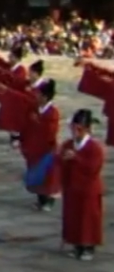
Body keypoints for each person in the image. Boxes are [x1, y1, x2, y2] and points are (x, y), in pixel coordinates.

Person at [60, 109, 105, 261]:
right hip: (72, 188)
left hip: (88, 190)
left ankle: (88, 247)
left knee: (87, 219)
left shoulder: (94, 148)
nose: (75, 132)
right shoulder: (68, 144)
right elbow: (59, 162)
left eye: (78, 129)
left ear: (87, 129)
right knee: (73, 218)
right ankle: (76, 245)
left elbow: (93, 168)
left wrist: (76, 158)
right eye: (73, 128)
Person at [22, 79, 61, 212]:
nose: (36, 96)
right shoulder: (34, 107)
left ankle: (48, 200)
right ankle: (40, 200)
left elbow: (50, 132)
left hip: (46, 149)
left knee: (47, 176)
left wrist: (37, 122)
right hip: (33, 146)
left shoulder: (53, 112)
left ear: (45, 97)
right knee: (35, 174)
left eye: (38, 94)